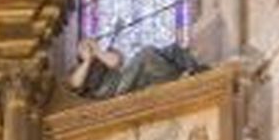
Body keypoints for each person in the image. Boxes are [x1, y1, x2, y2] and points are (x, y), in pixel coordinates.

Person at [67, 37, 208, 100]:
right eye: (84, 46)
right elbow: (75, 84)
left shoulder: (105, 54)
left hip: (123, 80)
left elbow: (116, 63)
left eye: (90, 44)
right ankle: (178, 79)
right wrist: (88, 60)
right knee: (146, 54)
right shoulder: (76, 70)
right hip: (111, 92)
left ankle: (194, 70)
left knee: (172, 49)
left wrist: (97, 51)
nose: (88, 47)